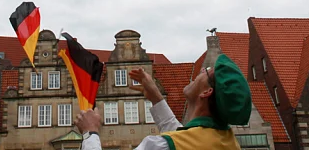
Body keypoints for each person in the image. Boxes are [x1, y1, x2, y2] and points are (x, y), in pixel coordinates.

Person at [74, 54, 252, 150]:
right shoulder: (227, 141)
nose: (199, 73)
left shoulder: (159, 145)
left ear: (207, 92)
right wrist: (156, 98)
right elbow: (183, 137)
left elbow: (175, 141)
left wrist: (90, 133)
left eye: (205, 71)